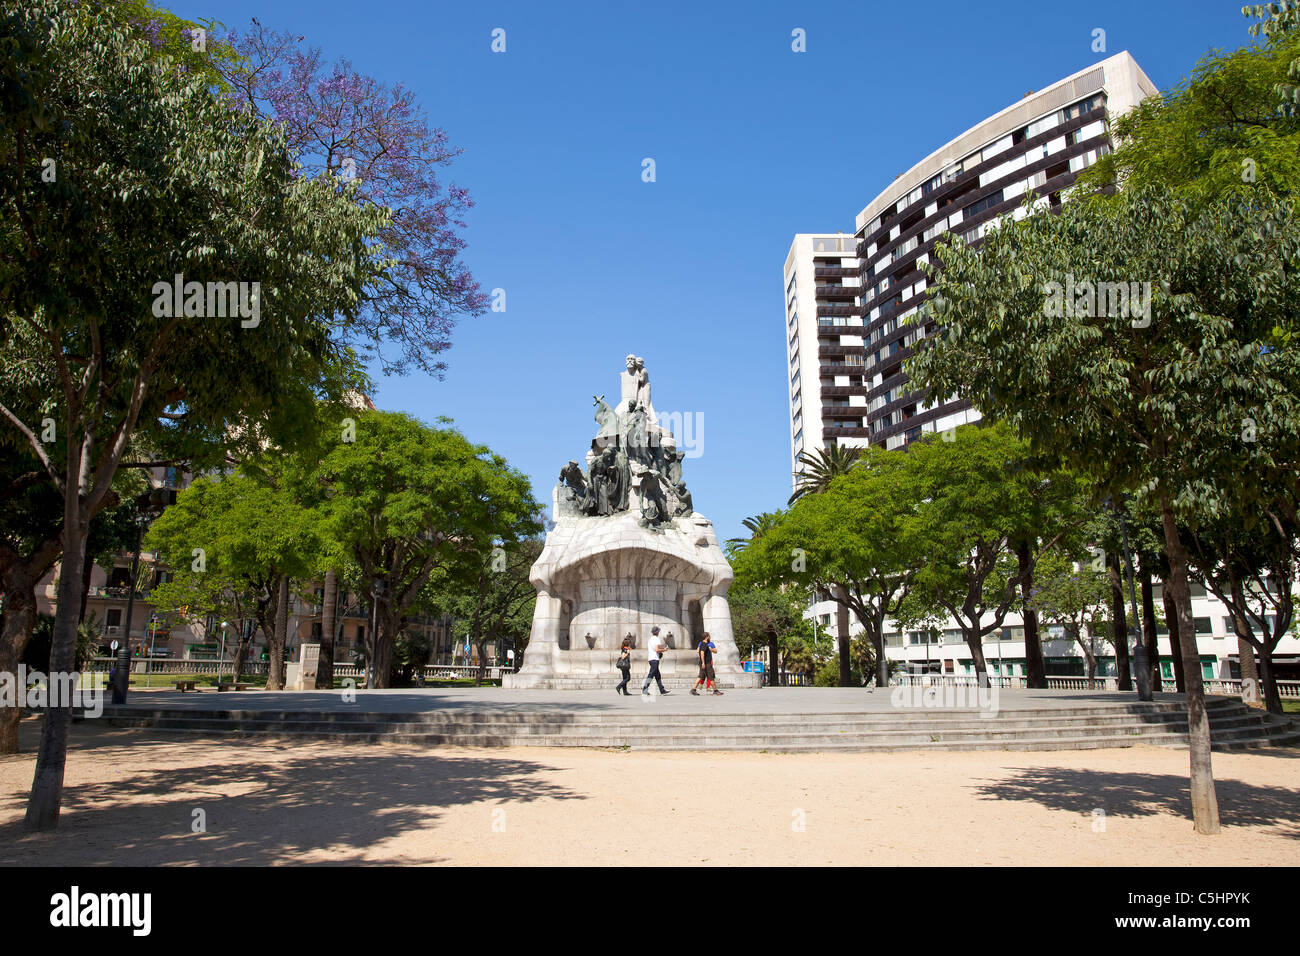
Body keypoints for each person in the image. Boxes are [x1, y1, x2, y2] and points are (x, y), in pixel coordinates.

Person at [641, 626, 670, 696]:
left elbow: (655, 648)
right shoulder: (657, 639)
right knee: (651, 674)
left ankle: (662, 690)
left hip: (651, 658)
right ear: (657, 632)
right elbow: (657, 649)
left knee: (657, 675)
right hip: (655, 659)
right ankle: (645, 689)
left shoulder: (650, 639)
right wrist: (664, 650)